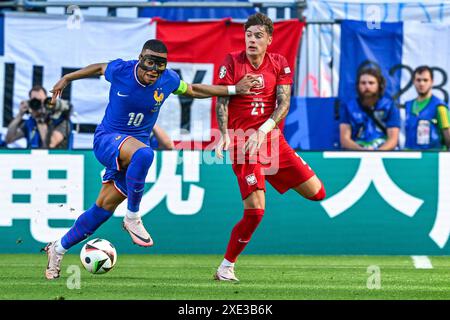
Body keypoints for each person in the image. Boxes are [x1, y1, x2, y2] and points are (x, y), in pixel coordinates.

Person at [43, 39, 257, 280]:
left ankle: (57, 249)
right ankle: (132, 217)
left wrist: (234, 90)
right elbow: (98, 68)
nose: (153, 72)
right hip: (108, 140)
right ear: (140, 60)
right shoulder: (122, 70)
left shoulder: (168, 81)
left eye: (159, 67)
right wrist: (67, 78)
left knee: (102, 209)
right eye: (149, 65)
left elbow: (195, 90)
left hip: (131, 154)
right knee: (145, 153)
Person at [214, 13, 326, 282]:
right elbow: (221, 100)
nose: (252, 40)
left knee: (317, 193)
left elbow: (284, 104)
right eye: (249, 35)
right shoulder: (231, 61)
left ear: (269, 39)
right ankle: (226, 267)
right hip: (244, 142)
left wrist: (263, 131)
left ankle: (267, 175)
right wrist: (225, 134)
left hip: (273, 142)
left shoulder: (279, 64)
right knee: (256, 211)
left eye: (258, 35)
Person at [339, 67, 400, 150]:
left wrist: (377, 153)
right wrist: (362, 151)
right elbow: (344, 139)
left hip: (384, 152)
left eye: (371, 83)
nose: (367, 86)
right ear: (358, 86)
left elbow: (393, 139)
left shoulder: (389, 105)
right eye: (363, 83)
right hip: (357, 152)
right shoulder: (349, 106)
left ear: (379, 85)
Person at [5, 85, 72, 149]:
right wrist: (20, 115)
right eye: (35, 101)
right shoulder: (31, 122)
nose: (40, 105)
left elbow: (50, 145)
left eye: (42, 101)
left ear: (47, 100)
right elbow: (9, 139)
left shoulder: (61, 121)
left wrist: (40, 120)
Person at [404, 66, 450, 150]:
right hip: (410, 156)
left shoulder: (440, 107)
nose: (421, 83)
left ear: (432, 82)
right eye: (418, 80)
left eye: (425, 80)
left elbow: (448, 138)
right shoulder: (408, 105)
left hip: (432, 157)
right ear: (413, 81)